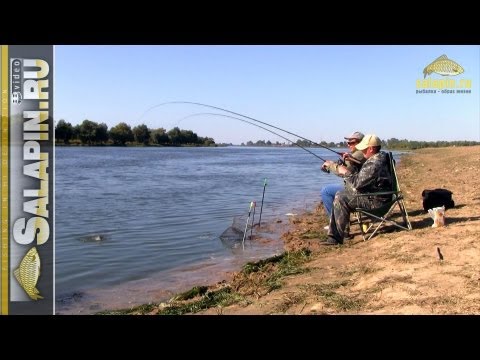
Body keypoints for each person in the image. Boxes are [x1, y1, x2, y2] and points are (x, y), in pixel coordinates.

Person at [323, 134, 392, 245]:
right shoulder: (379, 157)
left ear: (371, 148)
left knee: (341, 196)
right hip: (379, 196)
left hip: (377, 202)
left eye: (364, 149)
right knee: (342, 194)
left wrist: (345, 171)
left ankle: (335, 238)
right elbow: (363, 179)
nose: (362, 152)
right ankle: (339, 233)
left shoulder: (374, 163)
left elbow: (357, 184)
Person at [320, 132, 366, 226]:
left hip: (357, 190)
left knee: (326, 191)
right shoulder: (359, 153)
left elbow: (344, 173)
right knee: (332, 190)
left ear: (361, 143)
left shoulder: (359, 154)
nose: (349, 145)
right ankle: (342, 222)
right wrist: (341, 161)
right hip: (359, 187)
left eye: (352, 143)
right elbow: (350, 168)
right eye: (348, 142)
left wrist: (329, 165)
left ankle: (336, 224)